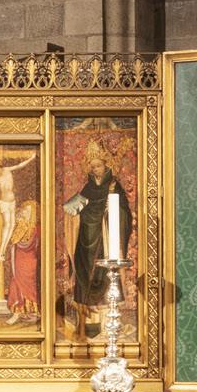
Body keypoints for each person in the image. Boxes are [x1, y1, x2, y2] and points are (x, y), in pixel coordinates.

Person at [65, 140, 132, 330]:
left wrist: (111, 212)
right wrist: (72, 213)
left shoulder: (113, 186)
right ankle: (85, 320)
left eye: (98, 166)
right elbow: (73, 210)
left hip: (105, 236)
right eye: (93, 167)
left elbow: (124, 213)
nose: (95, 170)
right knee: (85, 271)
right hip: (86, 238)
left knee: (105, 272)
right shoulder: (87, 188)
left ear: (106, 165)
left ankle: (107, 321)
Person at [6, 197, 40, 322]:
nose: (26, 213)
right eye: (25, 210)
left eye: (29, 211)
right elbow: (14, 241)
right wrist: (20, 227)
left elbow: (30, 244)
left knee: (30, 285)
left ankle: (33, 312)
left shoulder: (36, 228)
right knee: (16, 282)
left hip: (30, 260)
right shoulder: (20, 225)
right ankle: (18, 312)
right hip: (19, 259)